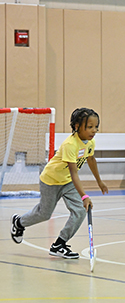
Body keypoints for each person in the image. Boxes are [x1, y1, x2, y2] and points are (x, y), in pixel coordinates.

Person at [10, 108, 108, 259]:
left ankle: (59, 244)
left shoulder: (90, 143)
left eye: (96, 127)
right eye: (89, 127)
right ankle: (19, 222)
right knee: (44, 214)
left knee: (80, 211)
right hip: (51, 181)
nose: (94, 130)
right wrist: (84, 196)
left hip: (67, 181)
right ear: (77, 126)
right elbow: (74, 172)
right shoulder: (70, 144)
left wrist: (100, 182)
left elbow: (91, 159)